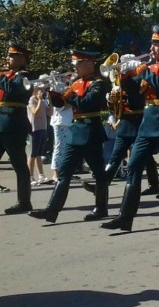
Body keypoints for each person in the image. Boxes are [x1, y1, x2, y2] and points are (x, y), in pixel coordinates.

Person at [102, 26, 159, 231]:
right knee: (135, 166)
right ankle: (125, 217)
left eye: (157, 44)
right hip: (147, 123)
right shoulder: (148, 67)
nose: (152, 48)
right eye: (152, 44)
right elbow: (134, 94)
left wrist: (142, 69)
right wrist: (125, 75)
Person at [29, 50, 110, 223]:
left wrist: (69, 93)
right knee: (64, 172)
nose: (75, 67)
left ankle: (101, 208)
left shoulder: (98, 84)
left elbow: (88, 103)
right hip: (76, 131)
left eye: (78, 64)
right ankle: (52, 211)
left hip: (91, 131)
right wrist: (53, 92)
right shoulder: (76, 82)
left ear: (89, 64)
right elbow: (60, 104)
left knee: (98, 172)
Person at [82, 52, 159, 201]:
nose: (121, 67)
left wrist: (122, 86)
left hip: (138, 120)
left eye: (125, 63)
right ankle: (102, 185)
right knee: (116, 156)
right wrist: (111, 101)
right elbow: (117, 104)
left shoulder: (139, 77)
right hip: (125, 121)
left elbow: (134, 94)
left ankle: (154, 184)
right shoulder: (120, 80)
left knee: (145, 156)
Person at [1, 43, 35, 215]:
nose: (8, 58)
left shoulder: (24, 76)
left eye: (12, 56)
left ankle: (24, 202)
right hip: (2, 123)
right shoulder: (6, 75)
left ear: (22, 59)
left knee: (19, 165)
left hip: (14, 124)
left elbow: (11, 89)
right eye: (9, 55)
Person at [27, 87, 49, 186]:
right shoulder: (32, 99)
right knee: (33, 153)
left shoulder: (42, 100)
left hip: (43, 128)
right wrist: (40, 100)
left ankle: (41, 175)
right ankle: (30, 176)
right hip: (34, 129)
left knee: (39, 153)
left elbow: (50, 113)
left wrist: (50, 100)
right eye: (39, 89)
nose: (42, 91)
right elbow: (35, 112)